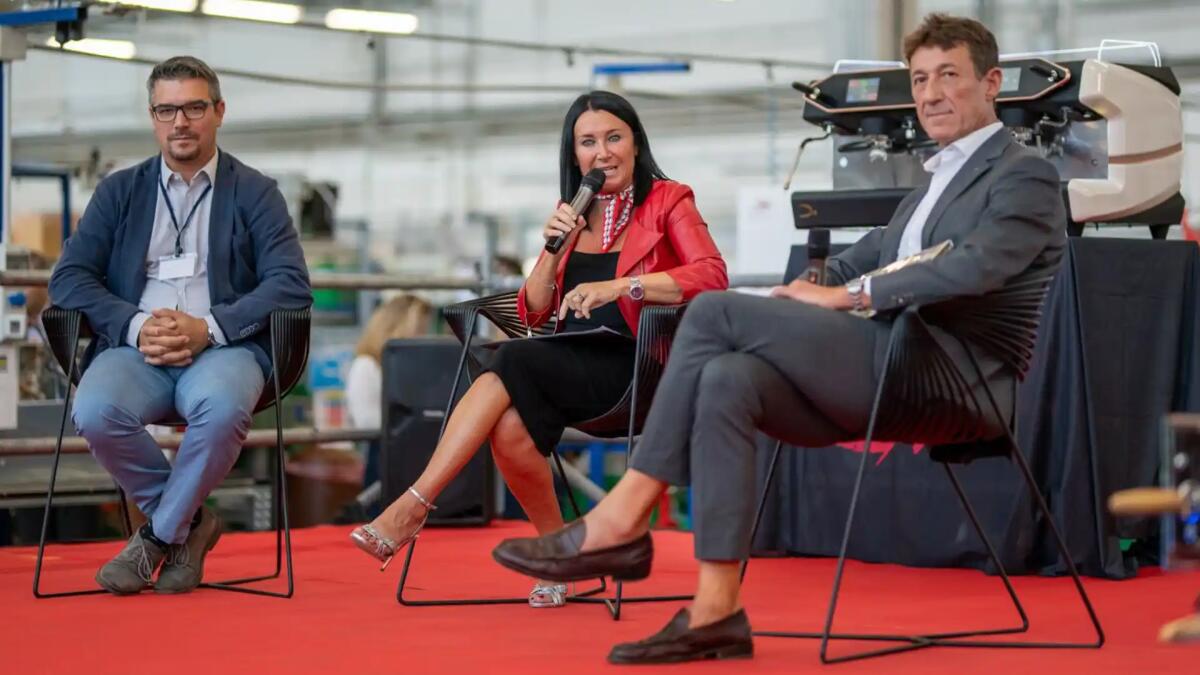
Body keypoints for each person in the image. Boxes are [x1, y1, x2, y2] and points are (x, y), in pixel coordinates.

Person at [491, 13, 1067, 663]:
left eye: (949, 76)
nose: (931, 93)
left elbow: (975, 264)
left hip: (951, 378)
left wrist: (844, 296)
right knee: (725, 378)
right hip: (894, 359)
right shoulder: (929, 185)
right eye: (919, 78)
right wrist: (805, 290)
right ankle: (716, 609)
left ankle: (621, 519)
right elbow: (862, 257)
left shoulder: (1025, 174)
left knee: (711, 315)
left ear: (992, 83)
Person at [350, 90, 728, 609]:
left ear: (635, 144)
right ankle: (562, 555)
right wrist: (552, 252)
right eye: (588, 142)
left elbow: (712, 276)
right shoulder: (571, 211)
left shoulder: (669, 199)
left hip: (641, 367)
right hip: (570, 362)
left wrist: (624, 288)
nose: (602, 152)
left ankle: (414, 504)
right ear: (574, 155)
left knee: (505, 360)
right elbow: (531, 314)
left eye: (613, 137)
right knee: (507, 423)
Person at [48, 56, 312, 595]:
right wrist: (137, 323)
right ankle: (192, 525)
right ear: (152, 117)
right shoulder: (120, 192)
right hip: (134, 348)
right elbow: (69, 278)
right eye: (166, 110)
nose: (180, 123)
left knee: (221, 411)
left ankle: (158, 537)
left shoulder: (256, 192)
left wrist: (210, 327)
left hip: (225, 349)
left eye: (193, 107)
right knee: (95, 411)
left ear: (218, 112)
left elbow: (290, 283)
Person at [345, 294, 434, 494]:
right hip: (383, 455)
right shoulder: (367, 365)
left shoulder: (412, 368)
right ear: (397, 327)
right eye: (418, 330)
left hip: (411, 453)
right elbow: (365, 421)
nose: (422, 338)